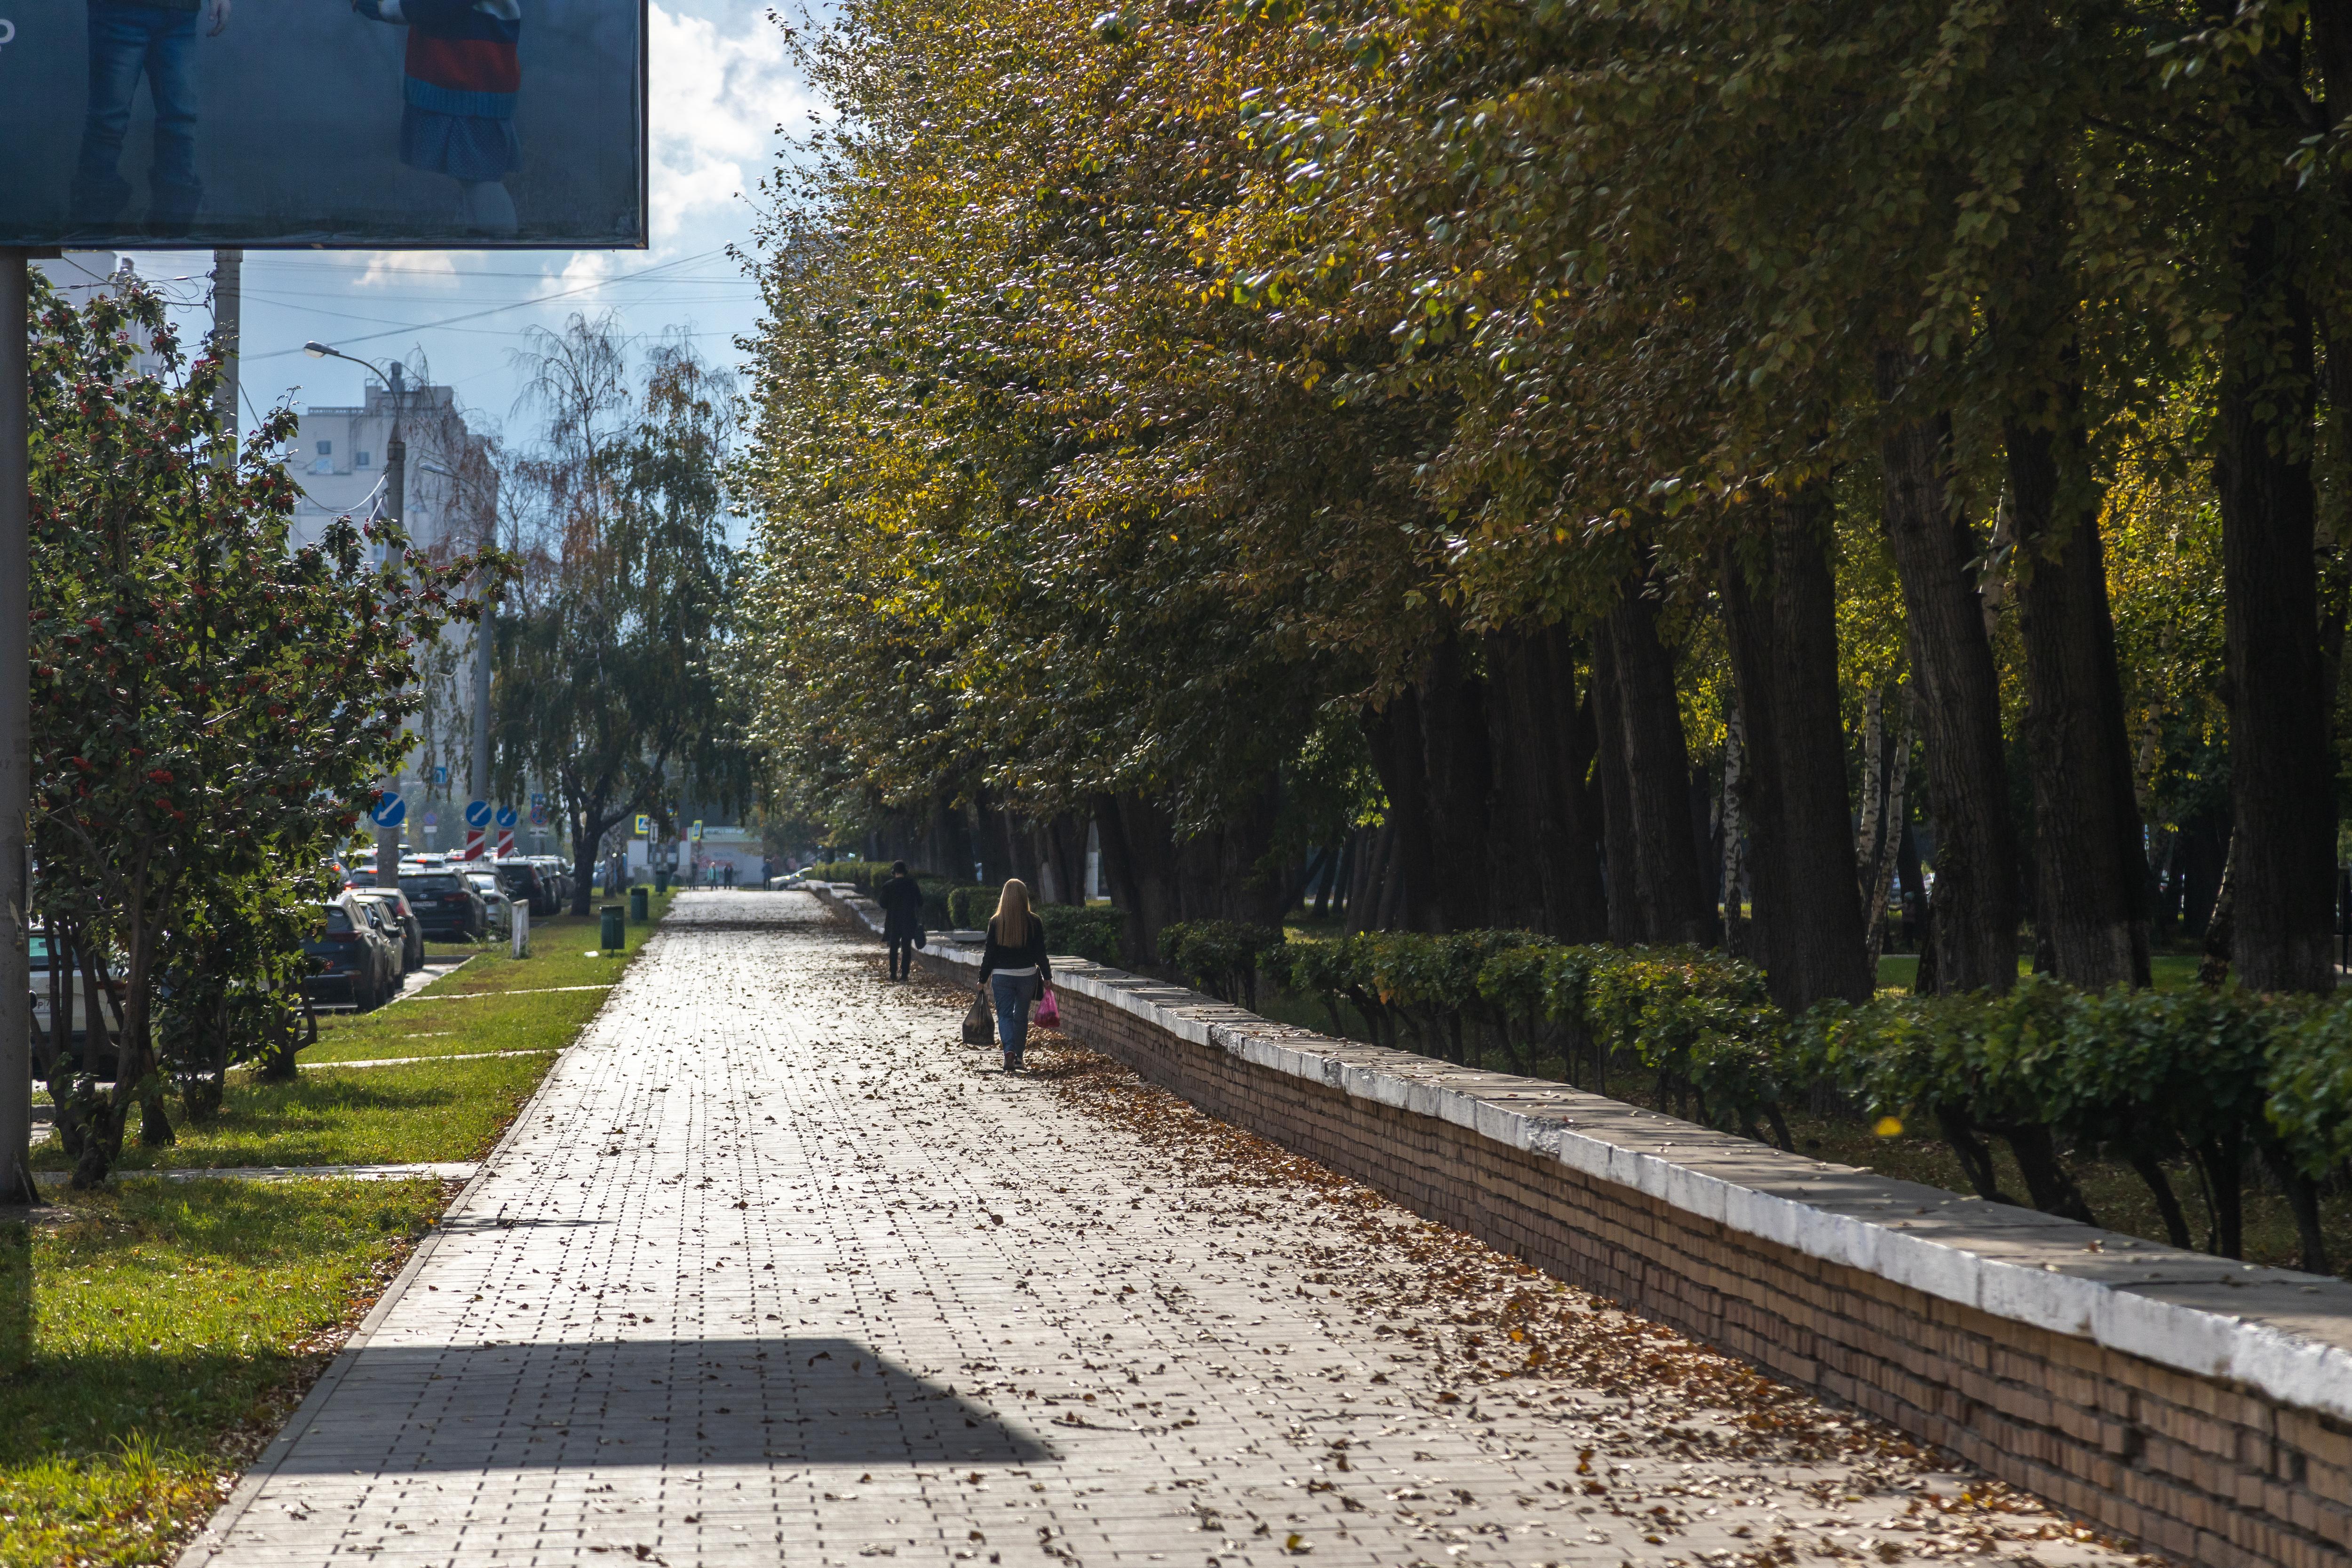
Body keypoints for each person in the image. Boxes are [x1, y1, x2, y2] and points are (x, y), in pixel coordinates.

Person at [351, 0, 522, 236]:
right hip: (466, 85)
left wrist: (378, 4)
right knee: (472, 178)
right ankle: (487, 246)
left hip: (467, 86)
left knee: (478, 177)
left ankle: (501, 251)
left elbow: (436, 6)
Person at [72, 0, 231, 236]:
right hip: (134, 11)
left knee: (171, 119)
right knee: (117, 119)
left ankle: (166, 220)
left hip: (172, 12)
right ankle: (97, 220)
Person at [976, 878, 1051, 1074]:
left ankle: (1008, 1050)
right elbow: (1040, 952)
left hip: (1002, 976)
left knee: (1005, 1016)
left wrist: (982, 979)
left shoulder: (996, 922)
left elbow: (990, 955)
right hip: (1027, 975)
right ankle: (1019, 1058)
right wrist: (1047, 976)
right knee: (1021, 1017)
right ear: (1024, 896)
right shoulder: (1034, 921)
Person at [876, 861, 925, 982]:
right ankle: (904, 975)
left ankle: (893, 974)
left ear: (894, 872)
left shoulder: (888, 886)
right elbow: (920, 902)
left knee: (893, 947)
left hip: (893, 920)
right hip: (908, 920)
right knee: (906, 947)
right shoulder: (912, 884)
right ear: (905, 871)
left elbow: (882, 903)